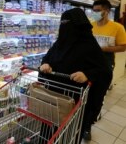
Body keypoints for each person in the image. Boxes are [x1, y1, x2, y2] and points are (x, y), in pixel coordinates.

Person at [39, 8, 112, 142]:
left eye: (68, 24)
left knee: (68, 135)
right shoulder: (59, 43)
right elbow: (47, 58)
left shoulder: (89, 45)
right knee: (48, 133)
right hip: (53, 98)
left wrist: (88, 75)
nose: (65, 27)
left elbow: (105, 71)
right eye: (63, 23)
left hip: (75, 101)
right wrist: (45, 64)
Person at [91, 0, 126, 121]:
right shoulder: (90, 25)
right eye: (93, 10)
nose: (94, 13)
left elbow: (123, 47)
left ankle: (93, 118)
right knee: (88, 92)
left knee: (99, 93)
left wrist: (105, 49)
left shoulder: (118, 27)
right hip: (89, 62)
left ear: (106, 11)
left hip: (106, 63)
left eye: (98, 10)